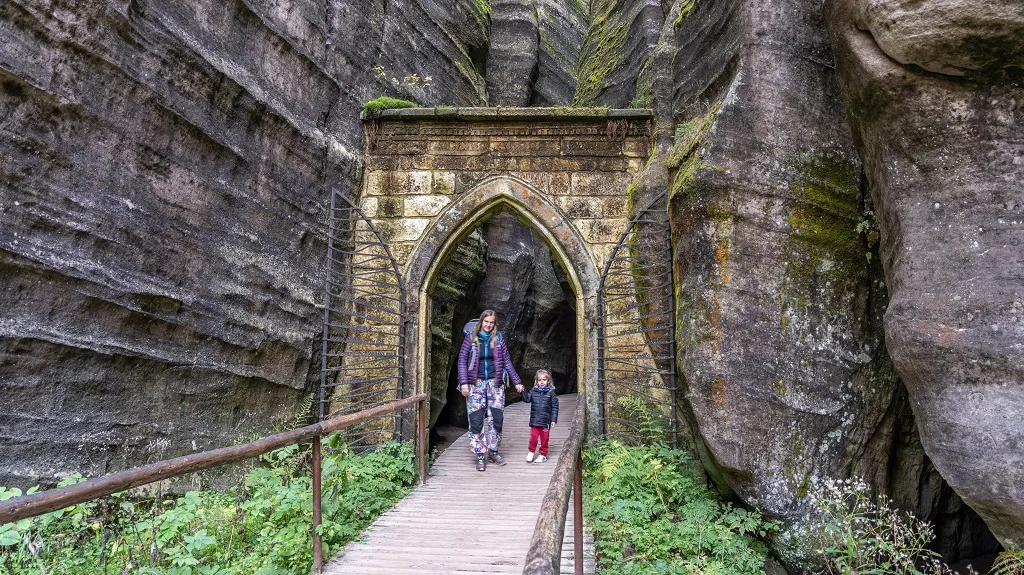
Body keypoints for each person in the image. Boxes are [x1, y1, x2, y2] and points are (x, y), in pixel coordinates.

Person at [457, 310, 524, 471]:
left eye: (491, 322)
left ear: (495, 324)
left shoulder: (499, 339)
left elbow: (507, 361)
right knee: (476, 419)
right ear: (481, 322)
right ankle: (480, 454)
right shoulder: (471, 338)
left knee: (497, 418)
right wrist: (464, 383)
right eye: (486, 322)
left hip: (495, 384)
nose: (488, 325)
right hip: (475, 384)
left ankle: (493, 450)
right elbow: (462, 361)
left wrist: (517, 382)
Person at [521, 369, 559, 463]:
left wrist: (553, 419)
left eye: (544, 380)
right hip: (535, 420)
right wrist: (522, 391)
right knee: (533, 437)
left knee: (545, 439)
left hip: (546, 422)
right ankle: (531, 451)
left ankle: (543, 454)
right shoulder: (534, 391)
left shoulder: (551, 394)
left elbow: (555, 407)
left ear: (548, 381)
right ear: (536, 381)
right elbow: (527, 399)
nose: (541, 382)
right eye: (539, 380)